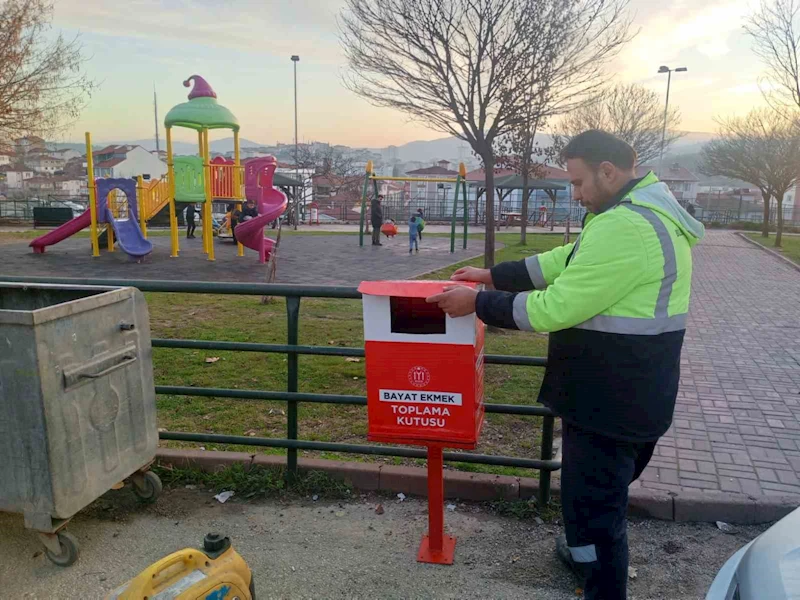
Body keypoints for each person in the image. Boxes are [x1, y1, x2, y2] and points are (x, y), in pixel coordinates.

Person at [425, 129, 704, 600]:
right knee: (596, 502)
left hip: (608, 403)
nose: (574, 194)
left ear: (608, 172)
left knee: (596, 513)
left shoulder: (626, 226)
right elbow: (566, 260)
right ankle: (582, 553)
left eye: (577, 183)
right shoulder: (637, 213)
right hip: (633, 394)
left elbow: (553, 307)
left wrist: (478, 302)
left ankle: (600, 583)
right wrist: (494, 273)